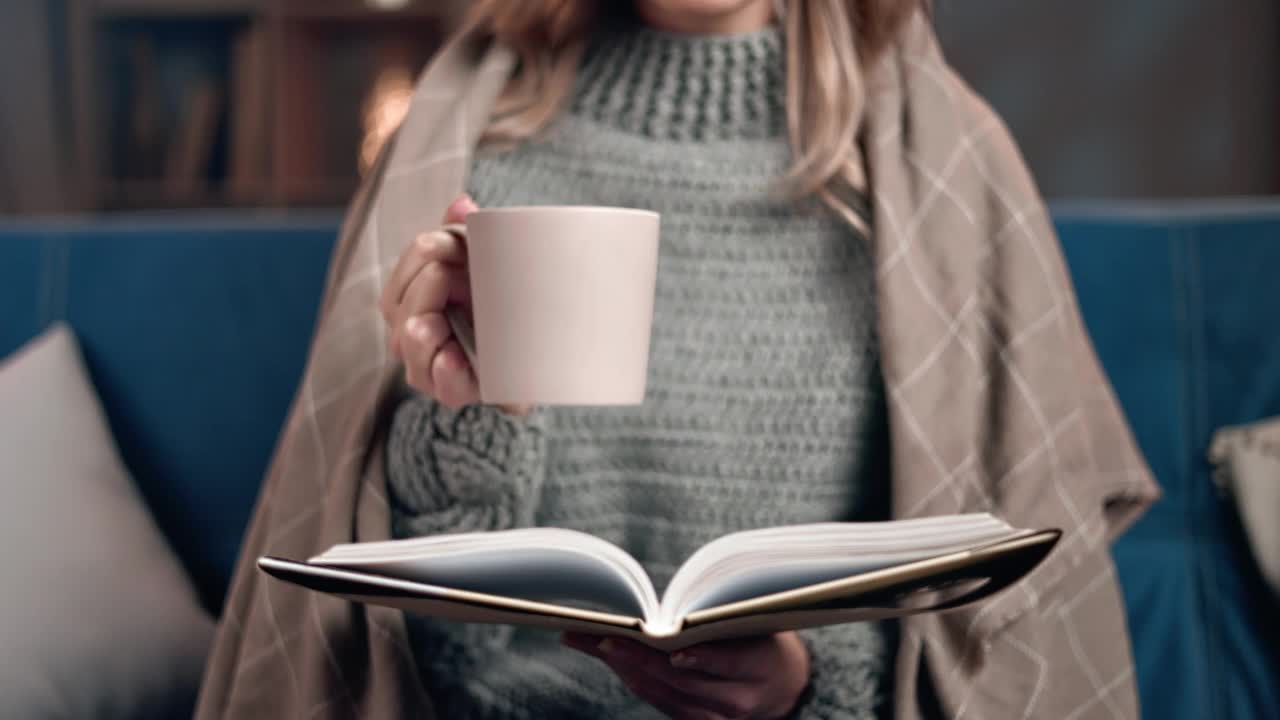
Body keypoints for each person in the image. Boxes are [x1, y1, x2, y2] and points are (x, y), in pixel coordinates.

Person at [195, 1, 1157, 718]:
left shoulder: (935, 162)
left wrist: (805, 689)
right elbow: (402, 637)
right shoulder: (461, 136)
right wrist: (464, 408)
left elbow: (993, 624)